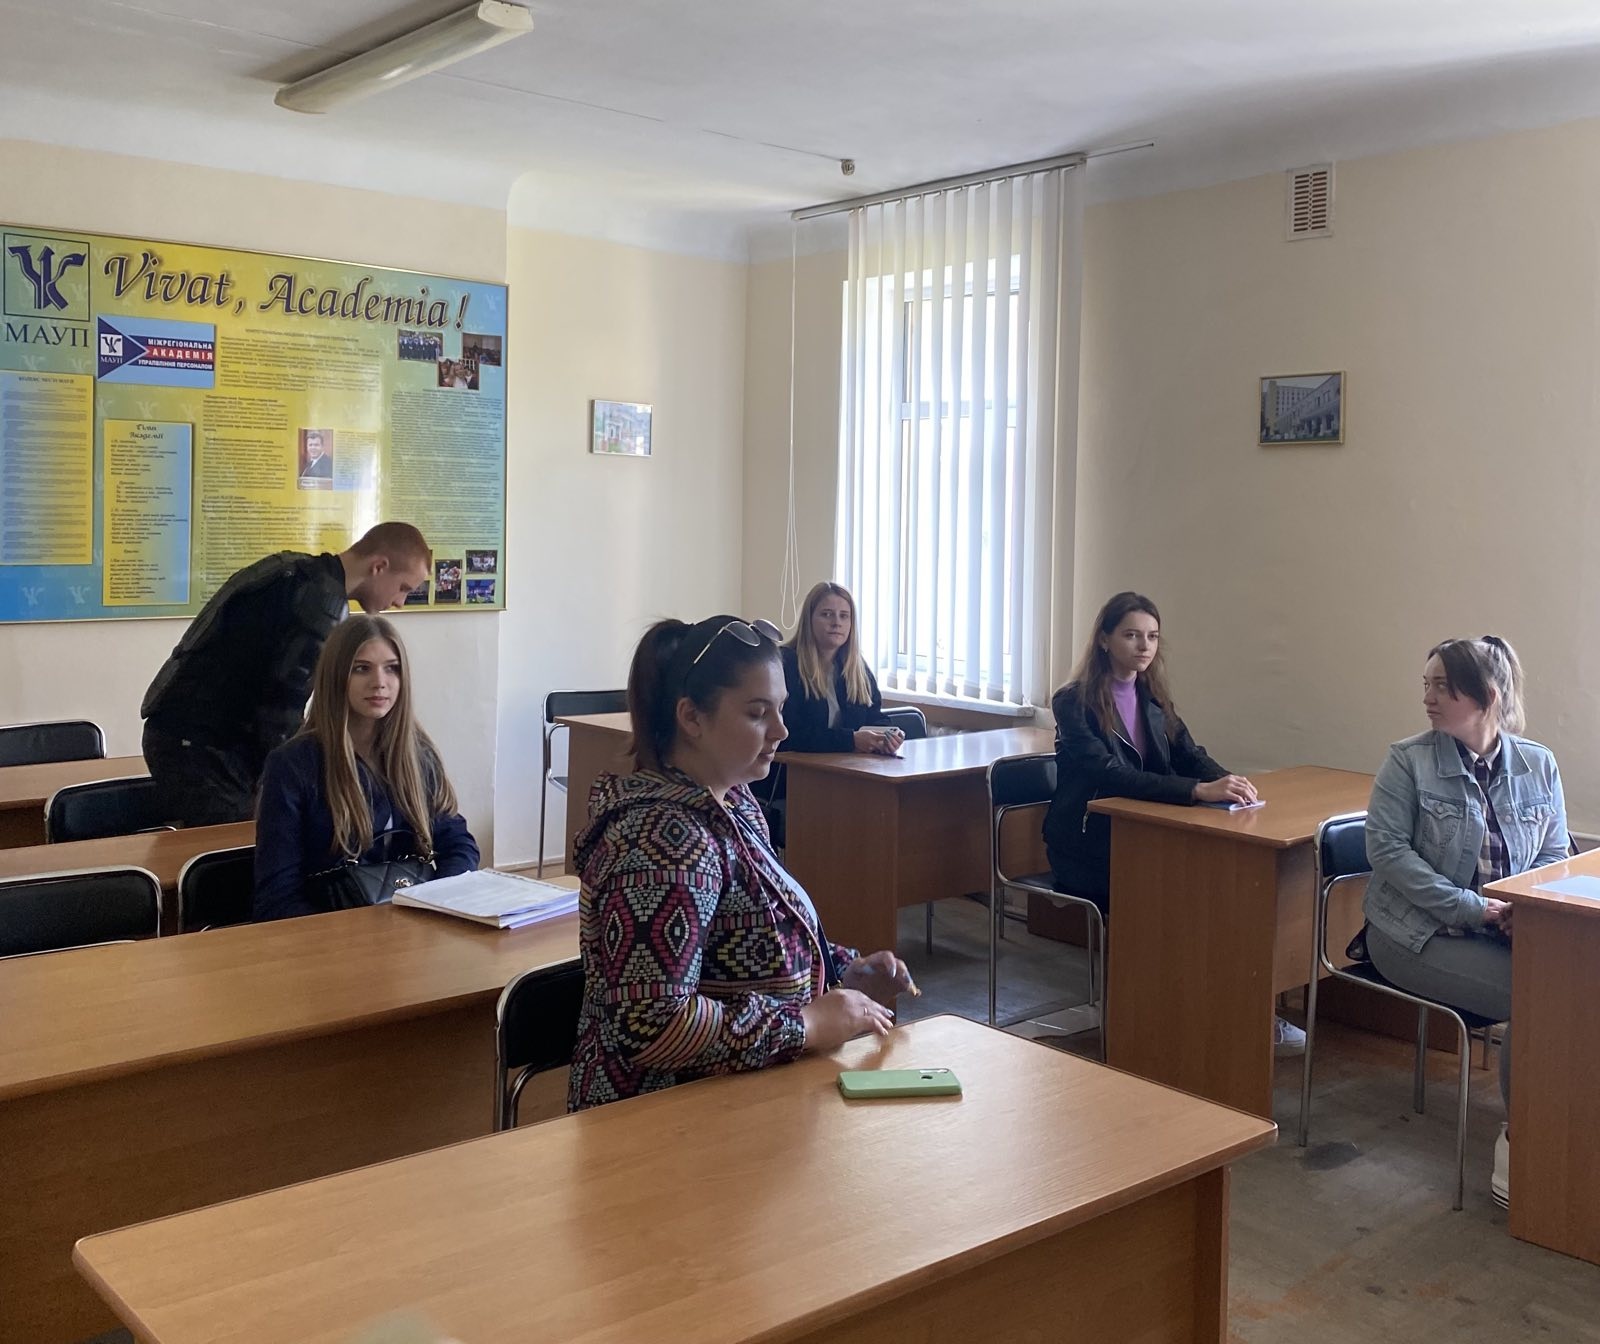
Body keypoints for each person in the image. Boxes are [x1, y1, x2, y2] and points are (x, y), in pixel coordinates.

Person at [568, 613, 914, 1111]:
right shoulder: (662, 840)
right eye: (757, 713)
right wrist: (807, 1024)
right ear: (691, 718)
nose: (781, 729)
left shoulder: (734, 801)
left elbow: (757, 933)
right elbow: (652, 1026)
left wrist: (839, 970)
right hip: (659, 1118)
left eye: (781, 709)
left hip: (740, 1094)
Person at [1042, 592, 1300, 1053]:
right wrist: (1197, 791)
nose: (1144, 646)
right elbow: (1109, 773)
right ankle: (1171, 1016)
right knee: (1186, 896)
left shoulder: (1152, 696)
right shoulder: (1073, 701)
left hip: (1148, 837)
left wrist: (1229, 783)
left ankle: (1226, 1013)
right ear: (1104, 639)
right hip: (1089, 845)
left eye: (1152, 636)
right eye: (1131, 635)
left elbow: (1188, 753)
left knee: (1227, 889)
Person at [1363, 636, 1567, 1209]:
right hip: (1413, 934)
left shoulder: (1538, 763)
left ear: (1487, 697)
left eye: (1442, 687)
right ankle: (1523, 1143)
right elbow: (1388, 854)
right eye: (1425, 685)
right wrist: (1476, 908)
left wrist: (1525, 910)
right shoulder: (1408, 760)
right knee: (1538, 998)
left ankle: (1571, 1127)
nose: (1427, 698)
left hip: (1501, 928)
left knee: (1578, 984)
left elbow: (1555, 854)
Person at [141, 522, 432, 827]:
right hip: (200, 750)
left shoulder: (290, 569)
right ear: (379, 567)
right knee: (248, 844)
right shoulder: (322, 603)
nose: (400, 602)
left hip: (180, 735)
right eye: (403, 588)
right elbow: (281, 715)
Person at [253, 614, 478, 921]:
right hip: (330, 933)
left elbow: (460, 846)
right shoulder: (293, 765)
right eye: (361, 668)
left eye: (392, 668)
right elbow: (278, 898)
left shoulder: (417, 755)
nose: (379, 682)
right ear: (336, 677)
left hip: (411, 928)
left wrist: (435, 903)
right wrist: (353, 935)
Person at [751, 582, 901, 834]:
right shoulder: (785, 664)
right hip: (790, 783)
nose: (836, 623)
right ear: (809, 620)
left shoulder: (856, 669)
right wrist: (851, 740)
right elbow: (789, 734)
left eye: (844, 616)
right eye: (827, 614)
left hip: (849, 779)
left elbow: (875, 717)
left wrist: (888, 735)